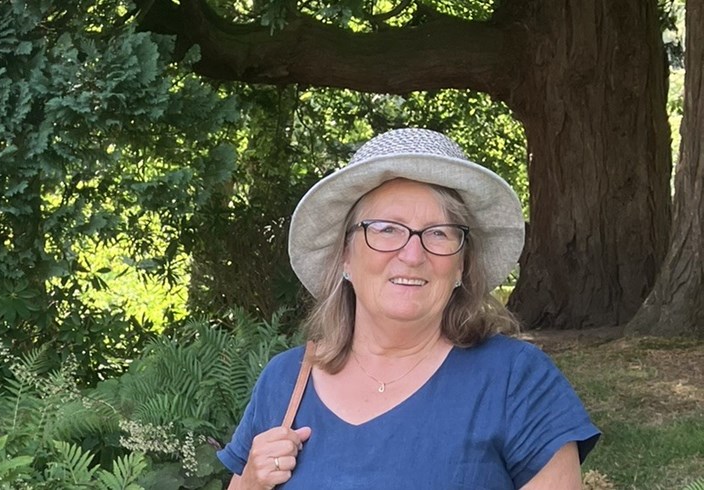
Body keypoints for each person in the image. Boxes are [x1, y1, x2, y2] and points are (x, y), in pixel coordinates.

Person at [217, 128, 600, 489]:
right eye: (387, 229)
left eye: (439, 233)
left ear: (461, 265)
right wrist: (250, 482)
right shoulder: (285, 381)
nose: (413, 255)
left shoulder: (516, 381)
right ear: (345, 256)